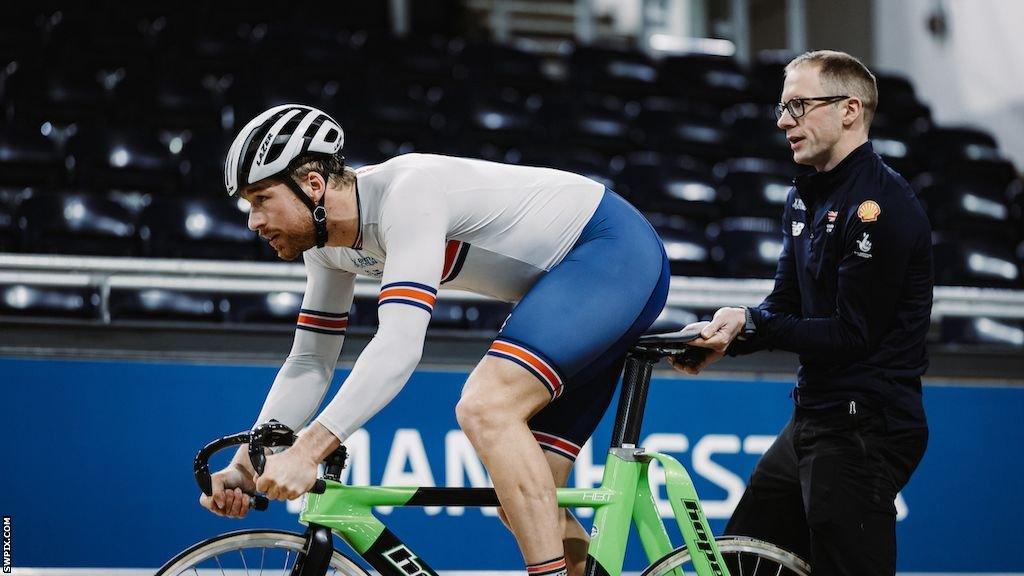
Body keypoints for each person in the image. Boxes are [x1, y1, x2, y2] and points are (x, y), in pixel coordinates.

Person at [200, 104, 670, 575]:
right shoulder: (328, 251)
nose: (252, 221)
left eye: (261, 199)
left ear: (314, 185)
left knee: (486, 407)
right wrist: (251, 458)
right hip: (571, 288)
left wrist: (307, 451)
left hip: (611, 252)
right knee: (527, 505)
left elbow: (400, 345)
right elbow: (309, 361)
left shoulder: (407, 194)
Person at [670, 51, 932, 575]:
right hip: (815, 417)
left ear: (850, 110)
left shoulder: (880, 206)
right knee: (743, 557)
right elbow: (784, 305)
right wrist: (731, 336)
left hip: (866, 427)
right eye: (782, 107)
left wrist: (755, 323)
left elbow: (851, 335)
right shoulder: (802, 196)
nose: (783, 121)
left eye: (799, 106)